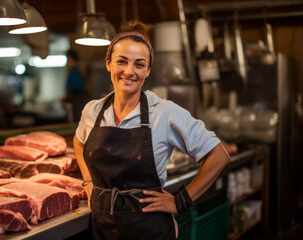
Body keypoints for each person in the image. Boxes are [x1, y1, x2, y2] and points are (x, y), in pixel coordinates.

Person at [73, 21, 231, 240]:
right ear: (108, 63)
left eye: (139, 64)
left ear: (147, 70)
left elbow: (219, 155)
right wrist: (88, 181)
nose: (129, 71)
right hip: (103, 229)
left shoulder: (165, 113)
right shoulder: (93, 111)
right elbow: (79, 142)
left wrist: (180, 201)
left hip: (150, 230)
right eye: (122, 61)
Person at [62, 49, 86, 122]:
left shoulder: (75, 72)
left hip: (76, 105)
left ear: (73, 60)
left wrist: (66, 99)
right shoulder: (73, 71)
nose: (67, 62)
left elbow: (76, 90)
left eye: (68, 59)